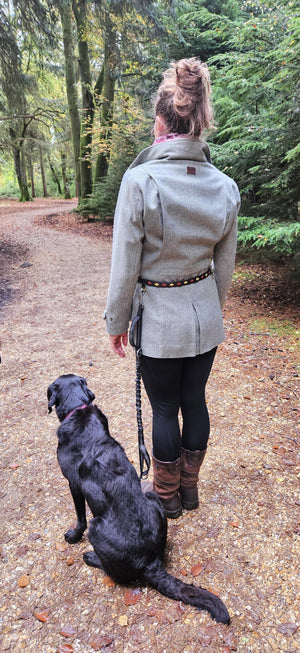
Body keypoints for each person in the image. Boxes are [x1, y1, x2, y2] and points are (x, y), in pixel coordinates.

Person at [104, 57, 240, 519]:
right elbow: (224, 267)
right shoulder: (225, 187)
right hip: (203, 314)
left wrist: (116, 321)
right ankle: (190, 491)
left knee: (164, 408)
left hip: (159, 317)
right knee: (194, 401)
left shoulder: (139, 180)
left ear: (161, 122)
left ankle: (166, 500)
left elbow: (125, 261)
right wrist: (210, 312)